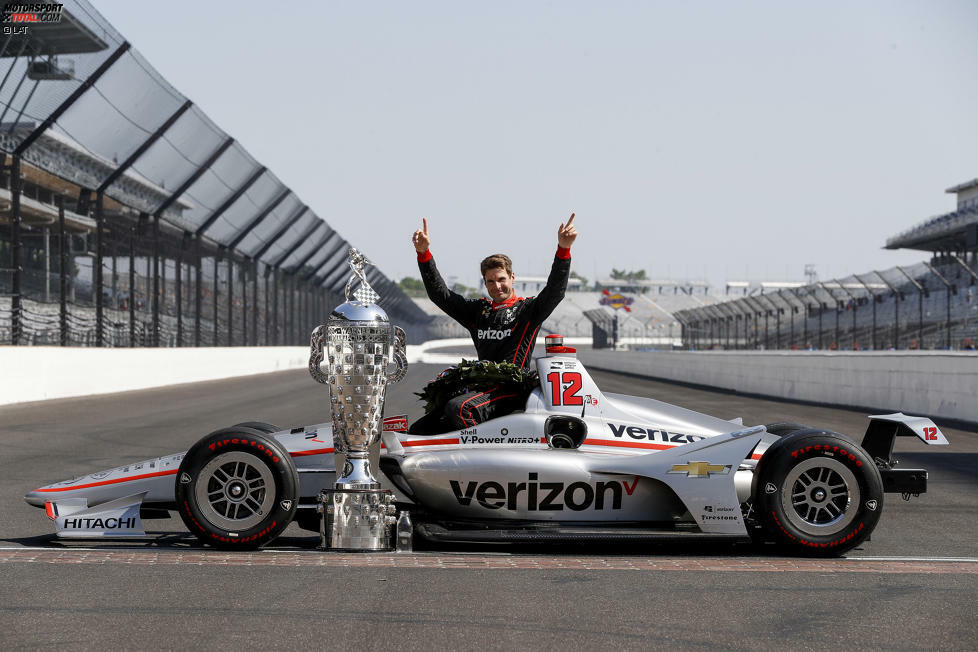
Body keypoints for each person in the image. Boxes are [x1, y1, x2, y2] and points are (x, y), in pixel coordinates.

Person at [411, 214, 578, 430]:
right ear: (485, 283)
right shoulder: (478, 311)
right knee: (420, 429)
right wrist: (424, 254)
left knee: (460, 409)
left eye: (501, 279)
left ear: (512, 278)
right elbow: (440, 295)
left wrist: (563, 250)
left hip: (512, 390)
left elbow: (555, 291)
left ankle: (479, 463)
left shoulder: (528, 310)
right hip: (481, 388)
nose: (496, 286)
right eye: (490, 281)